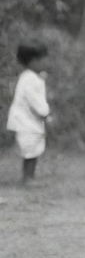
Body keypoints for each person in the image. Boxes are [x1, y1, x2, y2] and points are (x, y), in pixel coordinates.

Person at [6, 40, 51, 185]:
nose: (45, 63)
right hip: (26, 120)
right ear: (32, 61)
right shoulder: (30, 79)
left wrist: (41, 79)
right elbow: (35, 100)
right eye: (42, 60)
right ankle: (27, 178)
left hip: (29, 120)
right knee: (30, 148)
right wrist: (45, 113)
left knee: (34, 148)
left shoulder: (30, 76)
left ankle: (29, 177)